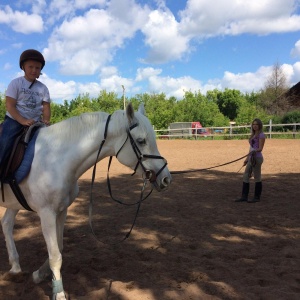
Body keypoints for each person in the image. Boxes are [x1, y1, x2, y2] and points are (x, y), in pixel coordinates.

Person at [0, 49, 51, 175]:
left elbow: (46, 107)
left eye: (37, 68)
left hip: (35, 122)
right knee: (5, 142)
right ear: (23, 67)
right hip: (15, 120)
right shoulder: (16, 83)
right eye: (31, 67)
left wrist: (46, 120)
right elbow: (10, 106)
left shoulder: (43, 88)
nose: (34, 70)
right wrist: (22, 120)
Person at [235, 118, 266, 203]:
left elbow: (260, 148)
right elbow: (251, 148)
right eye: (253, 124)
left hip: (257, 158)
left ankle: (257, 197)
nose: (255, 126)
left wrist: (254, 151)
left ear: (259, 125)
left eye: (256, 124)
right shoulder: (253, 135)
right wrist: (246, 159)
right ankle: (244, 196)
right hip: (251, 158)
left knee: (257, 177)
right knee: (245, 176)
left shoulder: (261, 135)